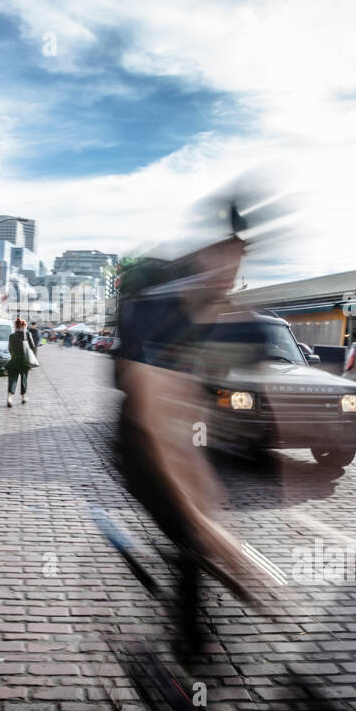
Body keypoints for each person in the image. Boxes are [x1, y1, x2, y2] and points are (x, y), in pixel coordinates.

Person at [114, 235, 267, 668]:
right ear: (199, 261)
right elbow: (155, 423)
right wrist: (198, 518)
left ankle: (189, 595)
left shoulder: (229, 321)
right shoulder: (157, 314)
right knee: (191, 536)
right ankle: (189, 648)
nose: (228, 277)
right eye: (219, 262)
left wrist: (212, 500)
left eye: (236, 266)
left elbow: (205, 409)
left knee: (206, 528)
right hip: (140, 445)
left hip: (187, 436)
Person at [6, 316, 35, 407]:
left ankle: (9, 399)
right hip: (24, 361)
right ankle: (23, 398)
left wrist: (14, 356)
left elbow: (9, 348)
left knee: (12, 379)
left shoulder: (12, 336)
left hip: (14, 360)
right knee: (24, 379)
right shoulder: (27, 334)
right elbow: (33, 346)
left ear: (16, 326)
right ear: (24, 326)